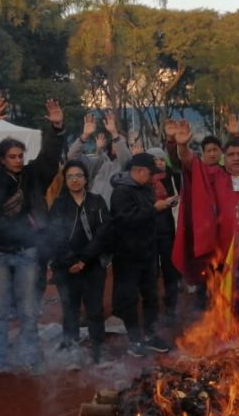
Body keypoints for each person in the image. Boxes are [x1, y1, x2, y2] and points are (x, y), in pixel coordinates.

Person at [0, 97, 64, 378]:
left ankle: (31, 356)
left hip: (27, 251)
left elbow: (50, 158)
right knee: (0, 310)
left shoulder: (33, 175)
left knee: (28, 310)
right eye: (12, 157)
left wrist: (56, 127)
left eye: (20, 156)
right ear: (2, 159)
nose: (17, 160)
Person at [171, 121, 239, 309]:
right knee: (213, 305)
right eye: (231, 155)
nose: (236, 159)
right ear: (224, 157)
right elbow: (189, 162)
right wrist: (182, 146)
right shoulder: (213, 174)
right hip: (217, 256)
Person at [110, 153, 175, 356]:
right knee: (130, 298)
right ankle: (135, 339)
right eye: (150, 173)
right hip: (128, 254)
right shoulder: (121, 192)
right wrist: (154, 209)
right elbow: (124, 221)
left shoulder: (145, 189)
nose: (152, 178)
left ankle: (150, 334)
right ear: (139, 171)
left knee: (151, 295)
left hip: (148, 252)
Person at [48, 160, 110, 363]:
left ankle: (98, 351)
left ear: (86, 179)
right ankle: (72, 350)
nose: (74, 180)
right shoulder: (58, 205)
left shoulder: (97, 201)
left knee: (94, 309)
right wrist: (71, 261)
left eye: (78, 176)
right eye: (70, 176)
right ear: (65, 180)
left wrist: (83, 259)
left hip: (92, 264)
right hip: (65, 267)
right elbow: (55, 237)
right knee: (70, 310)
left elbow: (104, 234)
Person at [147, 147, 182, 322]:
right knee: (151, 272)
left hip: (169, 230)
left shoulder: (173, 177)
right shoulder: (143, 181)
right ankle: (152, 309)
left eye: (161, 160)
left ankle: (171, 306)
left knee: (170, 270)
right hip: (149, 233)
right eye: (154, 161)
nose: (158, 163)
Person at [68, 111, 131, 207]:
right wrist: (84, 136)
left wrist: (114, 133)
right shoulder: (100, 162)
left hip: (114, 214)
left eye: (120, 142)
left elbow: (125, 157)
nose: (117, 144)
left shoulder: (126, 164)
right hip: (92, 211)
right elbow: (72, 157)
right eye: (115, 141)